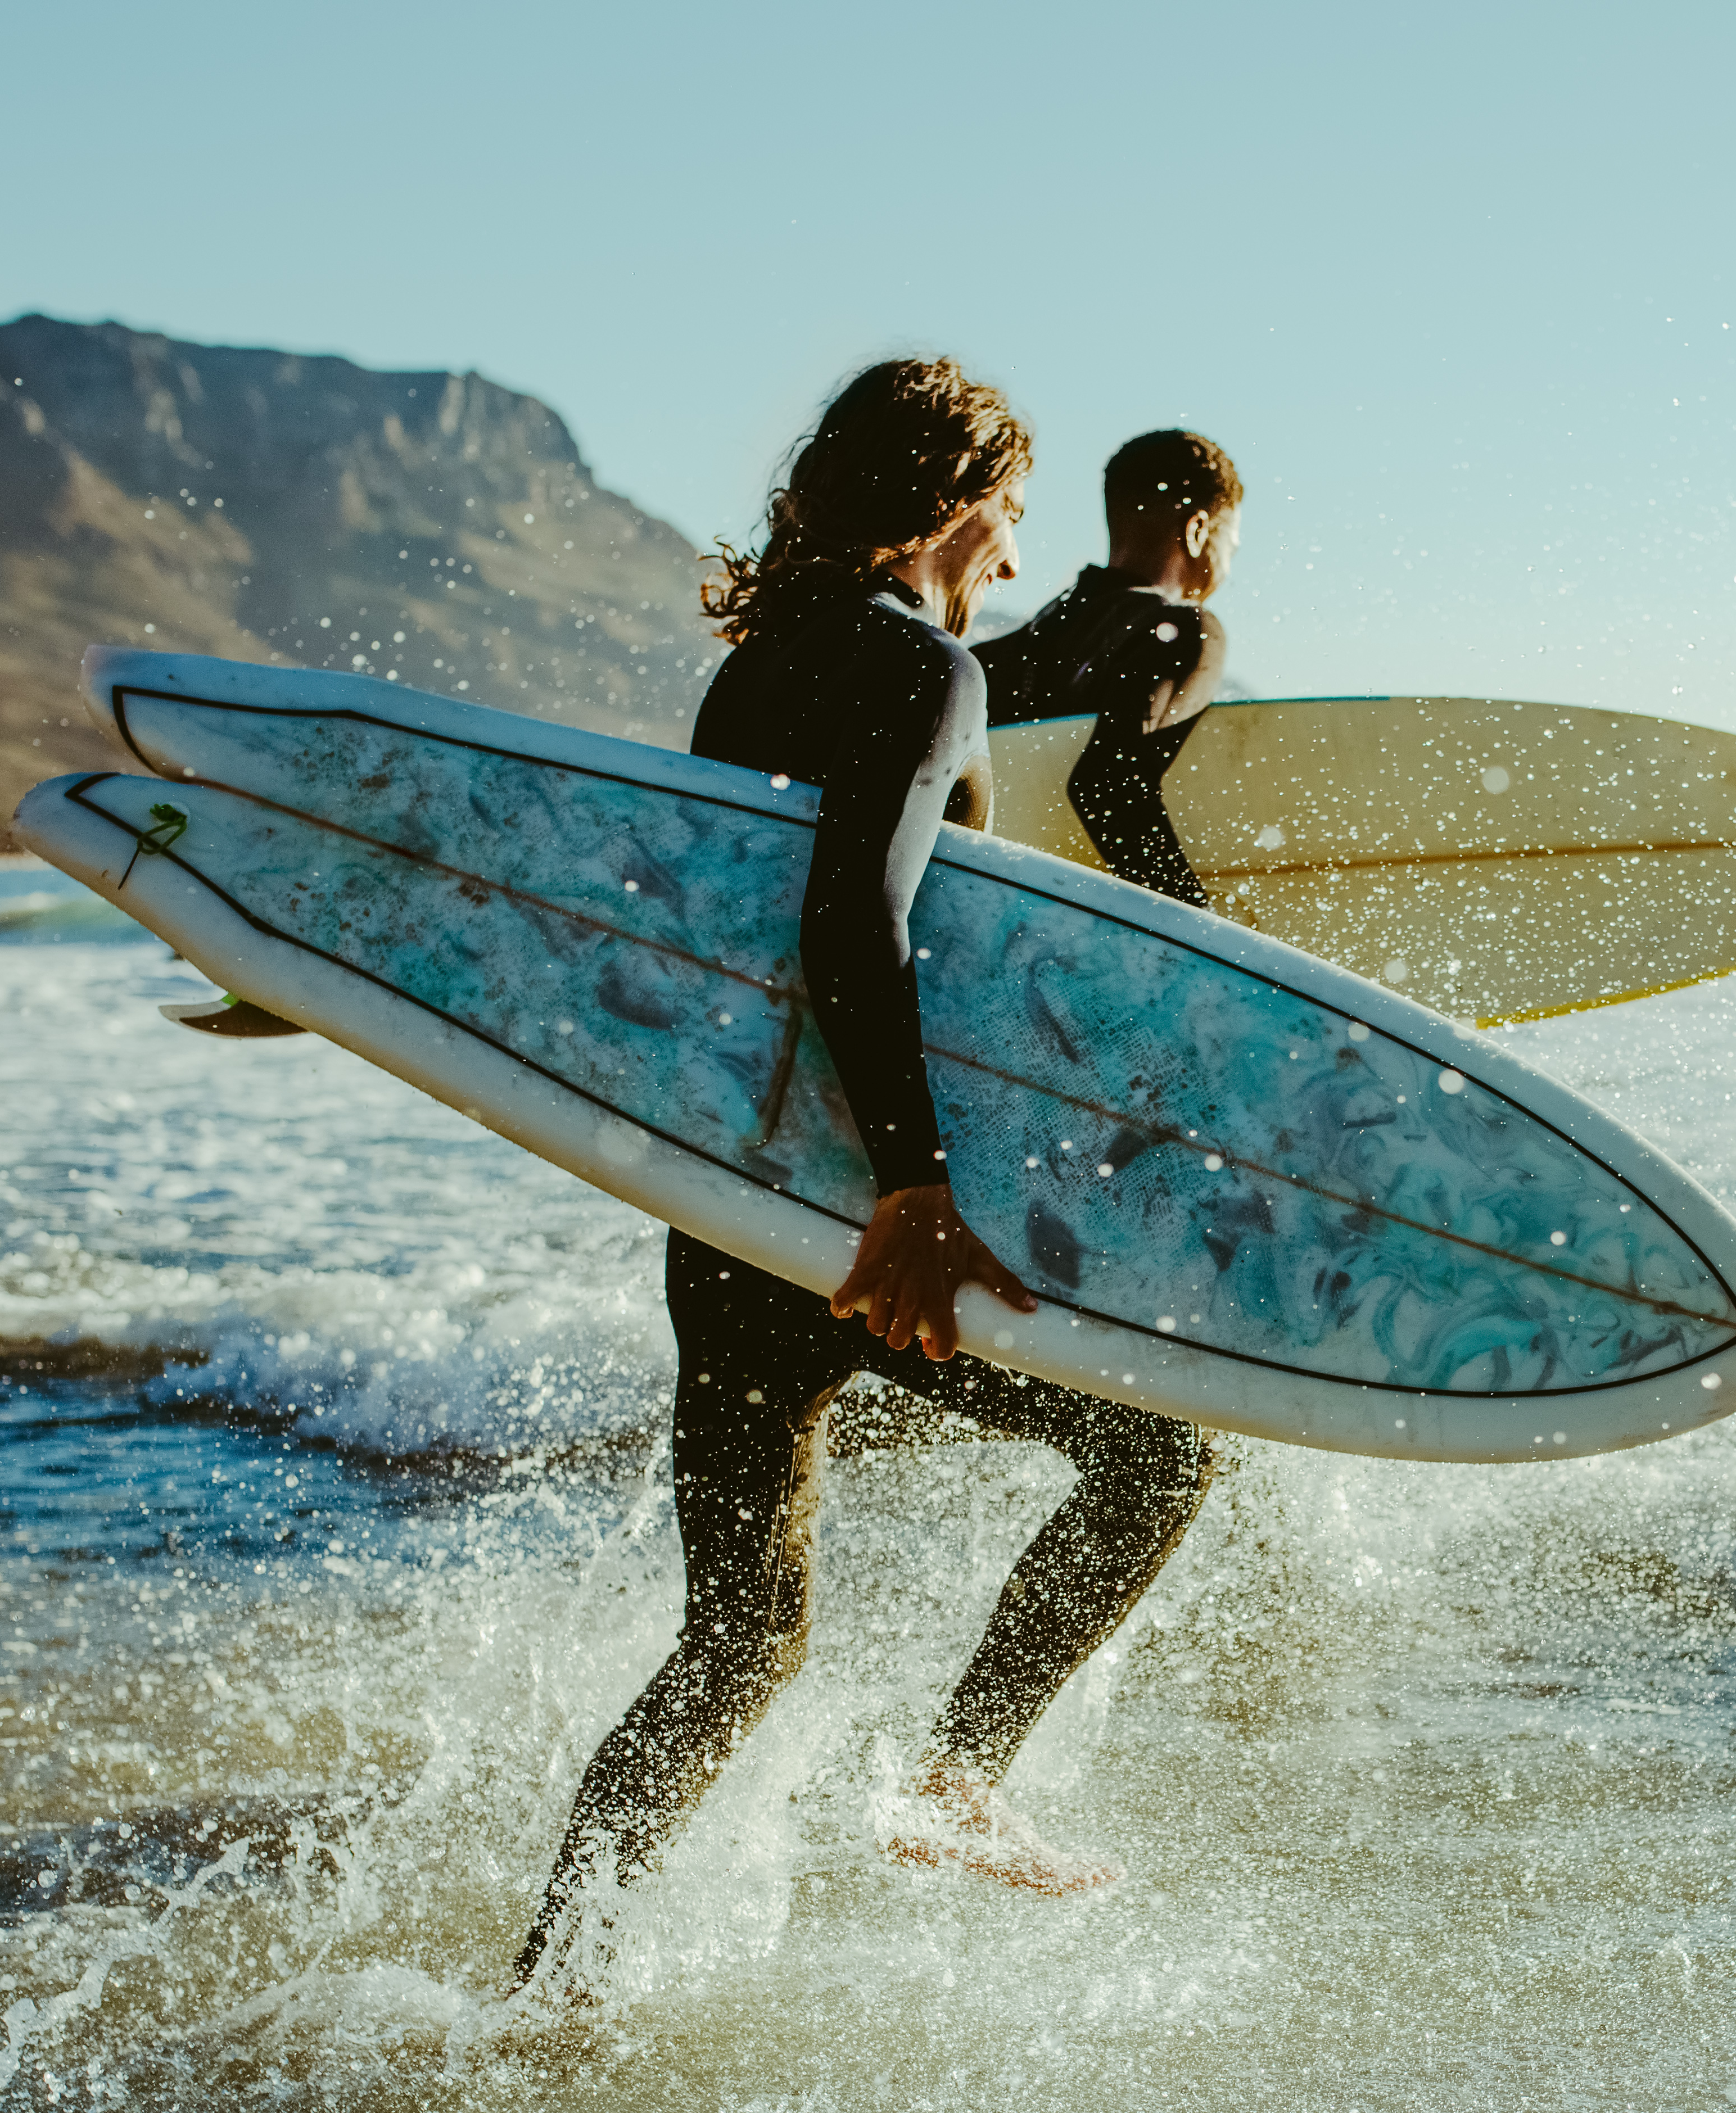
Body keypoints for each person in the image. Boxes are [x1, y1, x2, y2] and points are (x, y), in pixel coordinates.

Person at [522, 359, 1221, 1977]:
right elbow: (858, 917)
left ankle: (549, 1984)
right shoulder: (920, 669)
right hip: (859, 1215)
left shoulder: (759, 668)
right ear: (961, 505)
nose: (1008, 562)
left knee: (738, 1646)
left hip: (738, 1205)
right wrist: (912, 1190)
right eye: (1012, 523)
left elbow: (731, 934)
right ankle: (963, 1781)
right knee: (1158, 1457)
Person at [968, 428, 1243, 910]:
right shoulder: (1184, 630)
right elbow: (1107, 787)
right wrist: (1199, 930)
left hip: (991, 913)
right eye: (1232, 547)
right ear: (1199, 529)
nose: (1228, 568)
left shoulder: (995, 657)